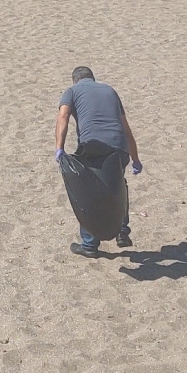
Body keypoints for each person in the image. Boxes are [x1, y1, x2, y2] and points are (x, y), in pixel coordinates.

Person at [54, 66, 141, 257]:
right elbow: (126, 127)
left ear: (74, 80)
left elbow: (63, 116)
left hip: (93, 145)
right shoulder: (110, 90)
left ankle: (89, 244)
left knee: (88, 190)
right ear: (93, 78)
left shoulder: (71, 91)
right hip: (119, 145)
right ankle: (122, 232)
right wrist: (135, 158)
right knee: (117, 185)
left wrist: (59, 148)